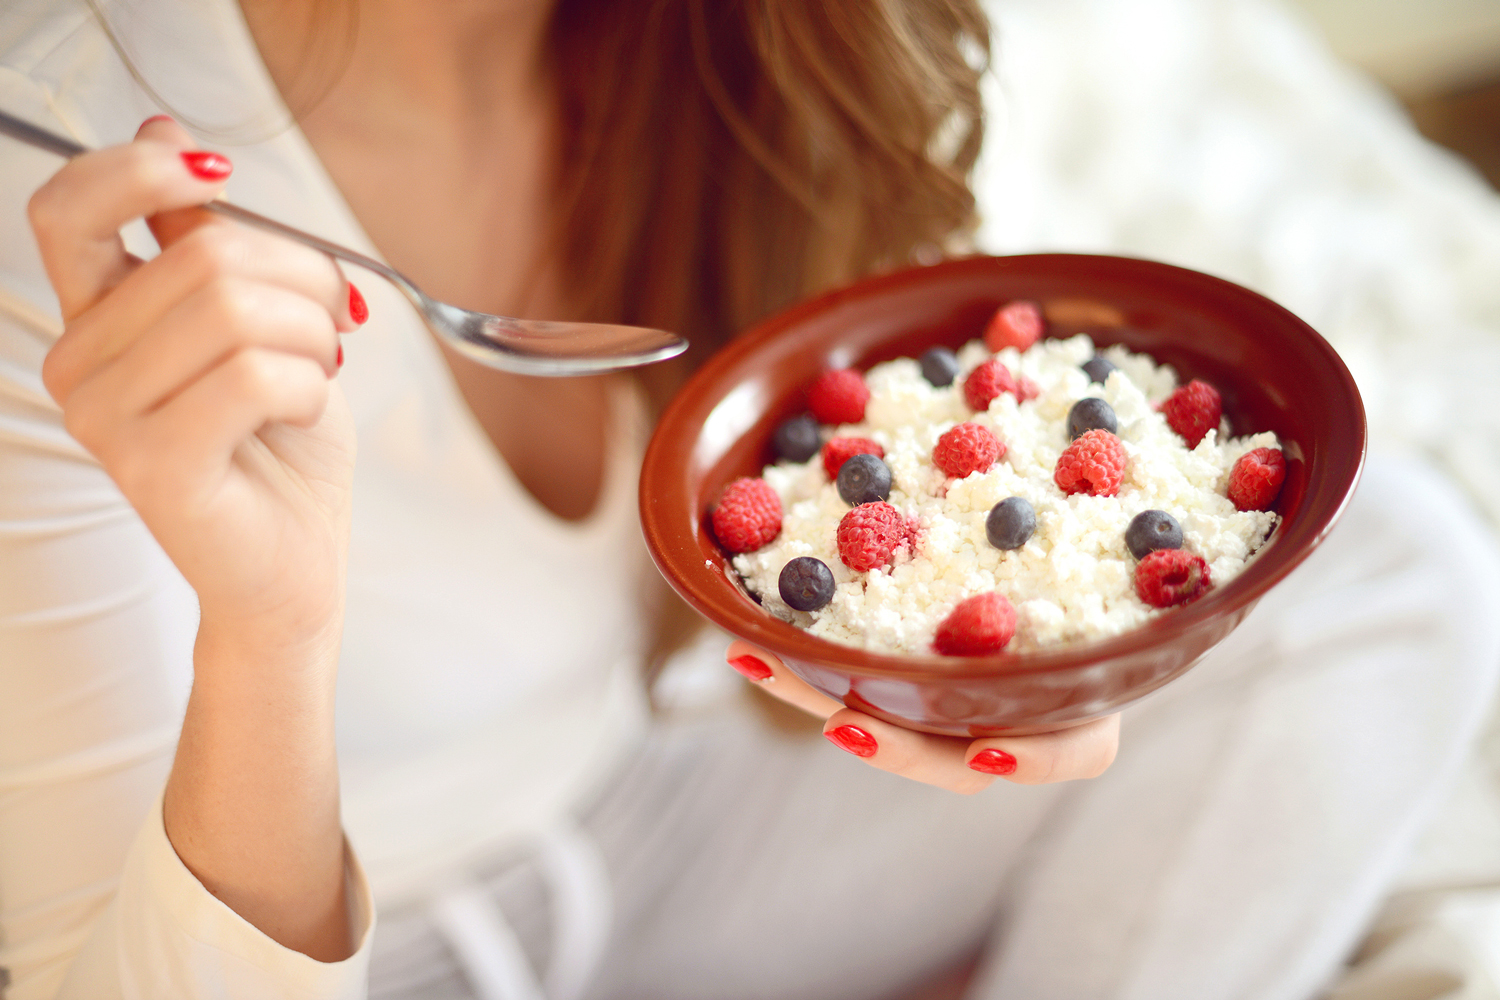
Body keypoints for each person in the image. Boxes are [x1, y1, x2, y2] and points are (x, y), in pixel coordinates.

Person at [1, 0, 1496, 998]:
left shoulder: (734, 45)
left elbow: (836, 513)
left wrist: (1033, 635)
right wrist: (271, 633)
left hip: (654, 806)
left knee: (1393, 570)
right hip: (359, 953)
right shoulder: (70, 188)